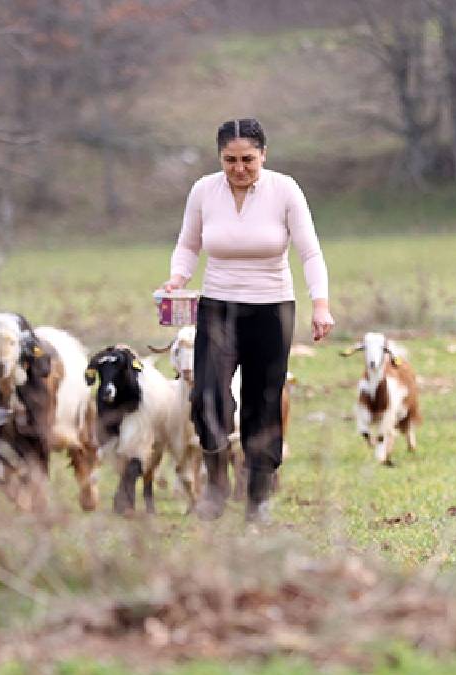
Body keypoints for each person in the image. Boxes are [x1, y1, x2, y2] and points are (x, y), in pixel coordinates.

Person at [159, 117, 334, 523]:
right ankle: (216, 485)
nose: (238, 169)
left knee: (264, 401)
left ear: (263, 155)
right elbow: (188, 243)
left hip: (271, 309)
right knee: (206, 395)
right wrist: (177, 279)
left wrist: (320, 305)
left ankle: (258, 496)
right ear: (220, 157)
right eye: (230, 160)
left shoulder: (285, 190)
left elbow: (310, 252)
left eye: (248, 160)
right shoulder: (204, 190)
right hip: (218, 307)